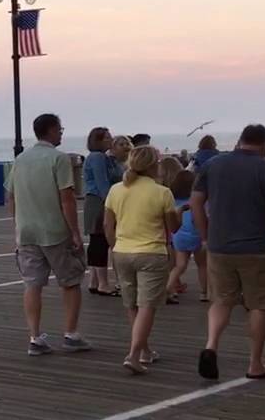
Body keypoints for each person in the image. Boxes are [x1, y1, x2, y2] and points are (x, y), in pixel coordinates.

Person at [193, 124, 265, 381]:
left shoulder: (213, 165)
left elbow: (196, 202)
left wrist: (205, 235)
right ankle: (255, 364)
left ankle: (211, 345)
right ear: (264, 145)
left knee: (221, 301)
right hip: (258, 248)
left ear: (240, 141)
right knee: (259, 305)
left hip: (219, 246)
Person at [7, 114, 92, 357]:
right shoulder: (59, 159)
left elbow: (10, 196)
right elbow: (66, 197)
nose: (62, 133)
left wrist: (17, 223)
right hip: (55, 230)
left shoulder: (20, 159)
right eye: (60, 129)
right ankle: (71, 333)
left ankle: (35, 337)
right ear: (52, 130)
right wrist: (74, 231)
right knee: (71, 280)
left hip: (26, 232)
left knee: (32, 284)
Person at [105, 146, 180, 375]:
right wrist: (178, 213)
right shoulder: (162, 192)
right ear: (153, 165)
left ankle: (144, 350)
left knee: (131, 303)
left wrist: (114, 245)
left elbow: (108, 225)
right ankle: (134, 354)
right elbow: (172, 228)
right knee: (148, 305)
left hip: (122, 251)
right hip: (151, 253)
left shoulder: (116, 190)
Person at [82, 127, 121, 296]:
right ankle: (103, 283)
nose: (110, 139)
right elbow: (102, 182)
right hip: (99, 201)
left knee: (96, 240)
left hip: (96, 200)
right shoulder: (97, 158)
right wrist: (112, 204)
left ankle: (94, 280)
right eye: (107, 137)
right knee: (101, 240)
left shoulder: (104, 158)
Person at [168, 170, 208, 303]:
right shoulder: (198, 200)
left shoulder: (173, 200)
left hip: (179, 236)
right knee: (202, 265)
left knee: (180, 265)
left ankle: (168, 288)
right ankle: (204, 292)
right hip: (197, 235)